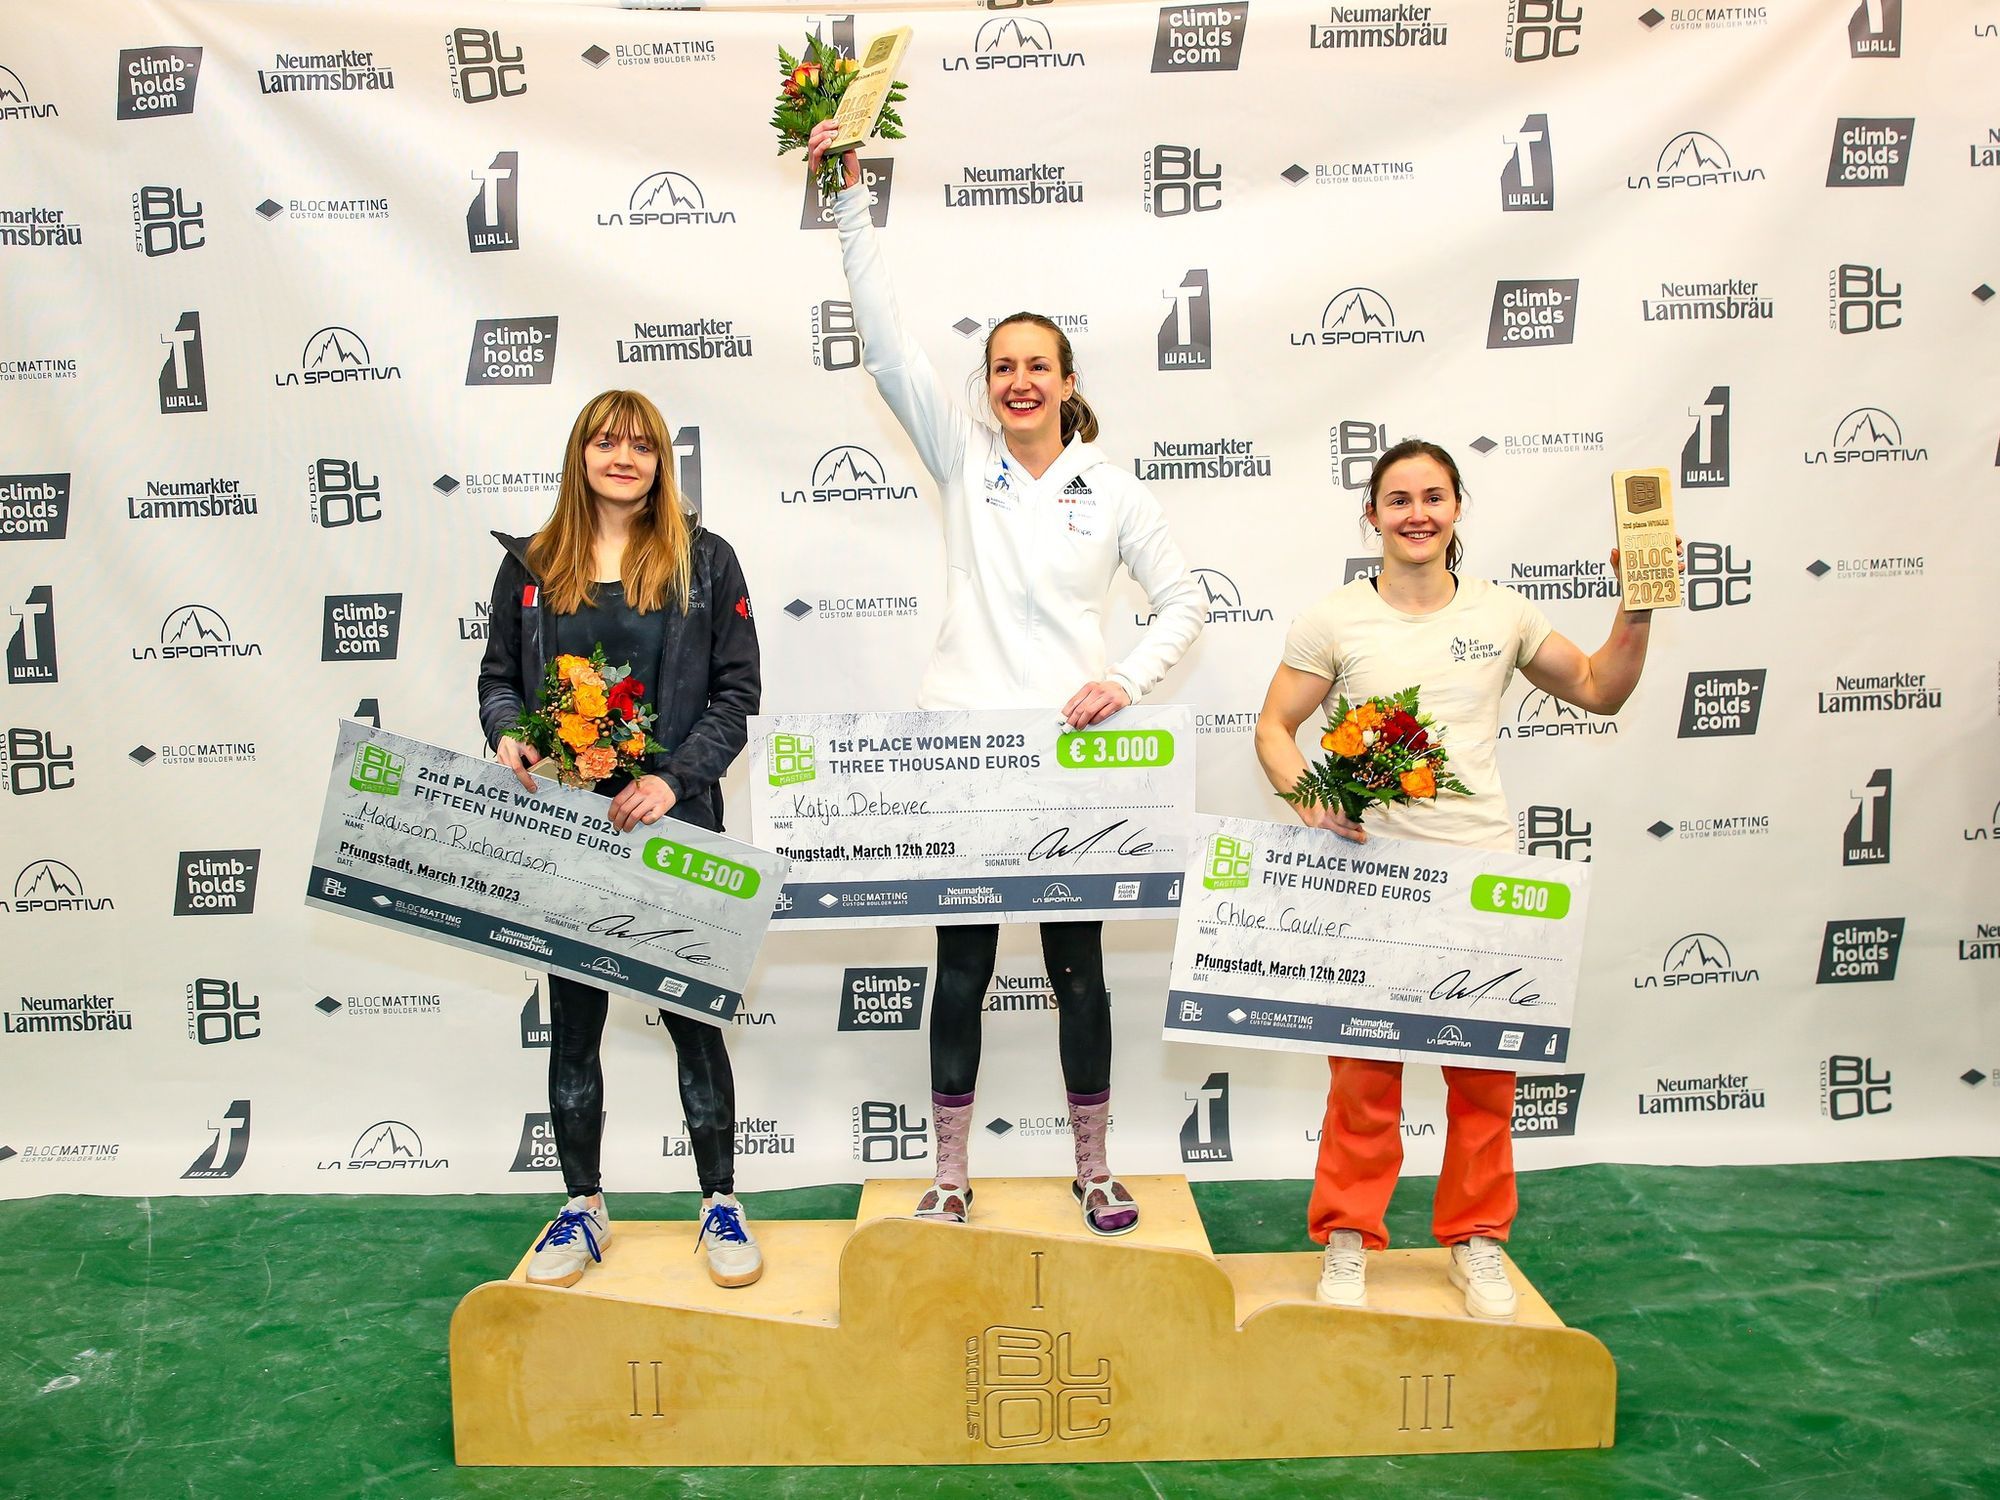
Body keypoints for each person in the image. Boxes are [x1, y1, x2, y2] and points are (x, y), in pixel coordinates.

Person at [808, 122, 1205, 1234]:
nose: (1018, 382)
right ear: (983, 389)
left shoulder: (1114, 489)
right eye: (1001, 369)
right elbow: (886, 347)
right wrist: (848, 202)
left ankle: (1092, 1169)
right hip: (962, 753)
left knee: (1079, 973)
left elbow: (1185, 604)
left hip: (1070, 763)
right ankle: (948, 1173)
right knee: (962, 972)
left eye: (1037, 366)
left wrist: (1123, 680)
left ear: (1067, 382)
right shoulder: (960, 458)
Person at [1253, 438, 1674, 1318]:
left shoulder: (1502, 612)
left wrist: (1638, 607)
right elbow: (1274, 728)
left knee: (1483, 1080)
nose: (1416, 514)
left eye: (1433, 497)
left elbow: (1600, 690)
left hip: (1481, 876)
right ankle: (1346, 1239)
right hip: (1367, 881)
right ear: (1371, 515)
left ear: (1456, 510)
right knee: (1363, 1078)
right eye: (1398, 499)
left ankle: (1477, 1242)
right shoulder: (1332, 618)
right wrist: (1310, 801)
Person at [476, 389, 763, 1289]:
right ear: (582, 454)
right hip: (566, 826)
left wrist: (671, 780)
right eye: (607, 442)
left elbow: (735, 696)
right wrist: (506, 729)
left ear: (660, 463)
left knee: (694, 1022)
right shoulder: (530, 564)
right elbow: (495, 677)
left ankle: (719, 1201)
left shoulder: (705, 562)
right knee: (575, 1027)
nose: (624, 457)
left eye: (641, 445)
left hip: (674, 825)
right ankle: (583, 1206)